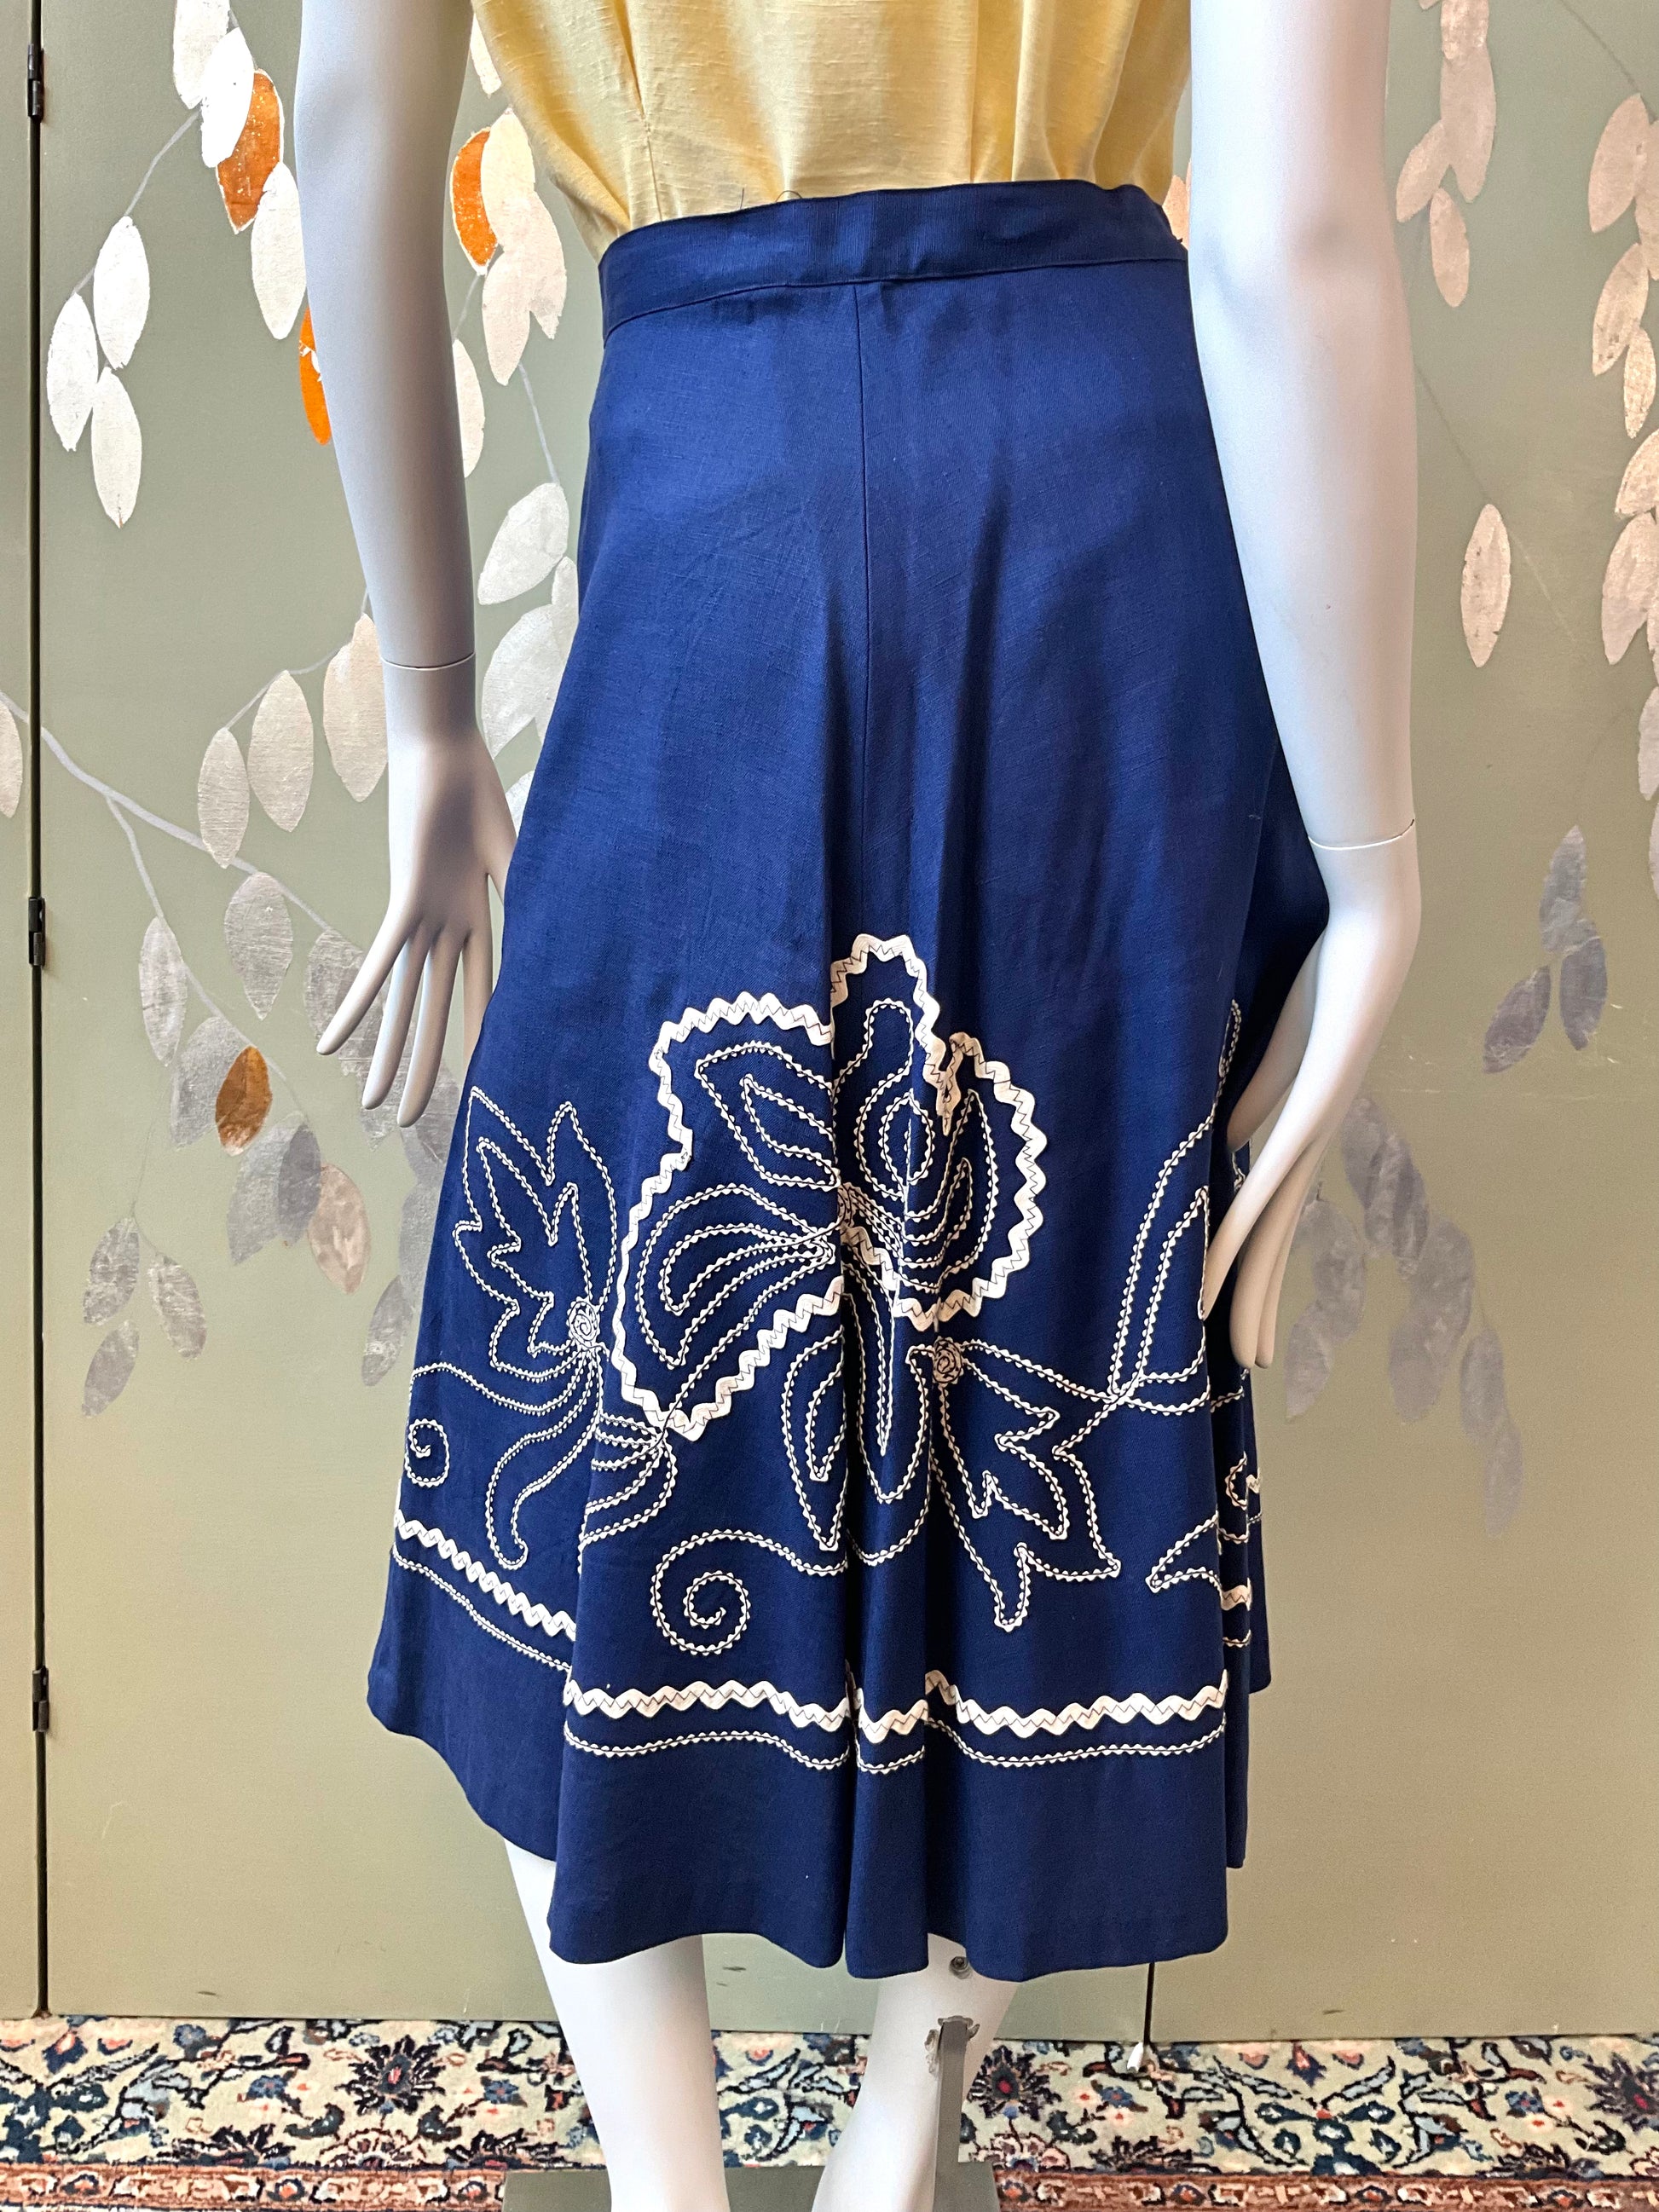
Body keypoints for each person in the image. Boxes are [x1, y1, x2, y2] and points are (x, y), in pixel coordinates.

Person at [293, 3, 1420, 2206]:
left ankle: (688, 2176)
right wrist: (1375, 867)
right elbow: (1292, 231)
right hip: (1110, 488)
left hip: (721, 483)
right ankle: (888, 2148)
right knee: (1043, 1336)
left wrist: (433, 721)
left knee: (590, 1387)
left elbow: (352, 111)